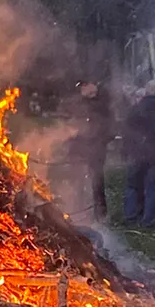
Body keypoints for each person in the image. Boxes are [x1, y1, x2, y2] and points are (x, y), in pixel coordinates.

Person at [120, 80, 155, 228]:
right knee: (152, 188)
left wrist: (125, 149)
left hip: (137, 154)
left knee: (133, 186)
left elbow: (126, 132)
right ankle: (148, 220)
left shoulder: (136, 109)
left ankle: (130, 216)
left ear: (147, 91)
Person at [67, 80, 112, 220]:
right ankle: (78, 209)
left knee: (97, 181)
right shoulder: (80, 105)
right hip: (80, 149)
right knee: (78, 179)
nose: (81, 90)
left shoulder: (103, 105)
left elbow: (108, 129)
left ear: (92, 86)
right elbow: (74, 124)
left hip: (96, 150)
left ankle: (100, 213)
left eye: (83, 87)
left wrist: (99, 141)